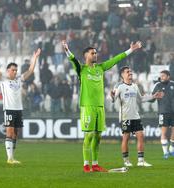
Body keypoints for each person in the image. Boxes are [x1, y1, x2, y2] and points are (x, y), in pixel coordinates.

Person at [62, 40, 142, 173]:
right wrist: (66, 50)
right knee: (89, 135)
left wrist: (130, 50)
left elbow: (116, 59)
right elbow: (73, 60)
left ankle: (95, 164)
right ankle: (86, 165)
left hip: (100, 107)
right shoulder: (81, 69)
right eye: (92, 53)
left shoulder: (101, 68)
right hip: (87, 106)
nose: (95, 55)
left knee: (98, 136)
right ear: (86, 56)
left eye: (96, 53)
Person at [0, 46, 41, 164]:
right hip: (9, 109)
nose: (15, 72)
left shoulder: (19, 79)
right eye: (13, 70)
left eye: (16, 70)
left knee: (15, 134)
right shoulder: (3, 79)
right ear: (8, 70)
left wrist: (35, 57)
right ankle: (9, 158)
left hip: (19, 109)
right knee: (9, 131)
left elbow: (30, 70)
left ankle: (12, 157)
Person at [111, 66, 162, 167]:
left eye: (130, 71)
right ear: (122, 75)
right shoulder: (120, 87)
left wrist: (153, 96)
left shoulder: (135, 86)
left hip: (136, 116)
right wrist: (112, 96)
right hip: (125, 117)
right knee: (126, 137)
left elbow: (141, 98)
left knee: (141, 136)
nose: (130, 73)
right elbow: (113, 99)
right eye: (127, 72)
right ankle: (126, 161)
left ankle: (141, 161)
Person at [150, 70, 174, 159]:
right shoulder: (157, 85)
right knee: (163, 132)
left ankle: (171, 149)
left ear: (168, 76)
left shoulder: (173, 84)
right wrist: (154, 96)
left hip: (173, 112)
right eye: (161, 76)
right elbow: (151, 99)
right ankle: (165, 152)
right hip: (163, 112)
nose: (161, 77)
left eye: (163, 76)